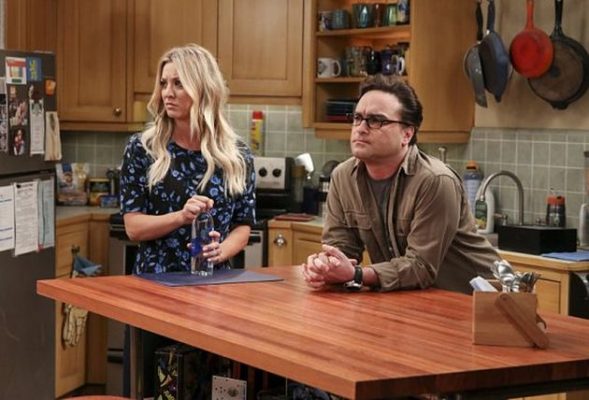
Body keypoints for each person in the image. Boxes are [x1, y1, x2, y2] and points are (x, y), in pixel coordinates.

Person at [119, 43, 256, 397]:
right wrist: (180, 217)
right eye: (164, 83)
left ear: (203, 88)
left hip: (217, 295)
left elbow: (243, 225)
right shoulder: (143, 149)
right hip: (155, 293)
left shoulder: (236, 155)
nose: (168, 92)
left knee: (214, 388)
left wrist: (222, 251)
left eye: (179, 83)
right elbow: (133, 227)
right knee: (154, 389)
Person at [302, 74, 499, 294]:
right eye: (357, 117)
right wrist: (326, 266)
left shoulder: (435, 181)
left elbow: (420, 266)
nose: (361, 128)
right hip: (414, 298)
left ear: (407, 134)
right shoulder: (342, 177)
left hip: (479, 300)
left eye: (376, 120)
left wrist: (356, 274)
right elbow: (341, 248)